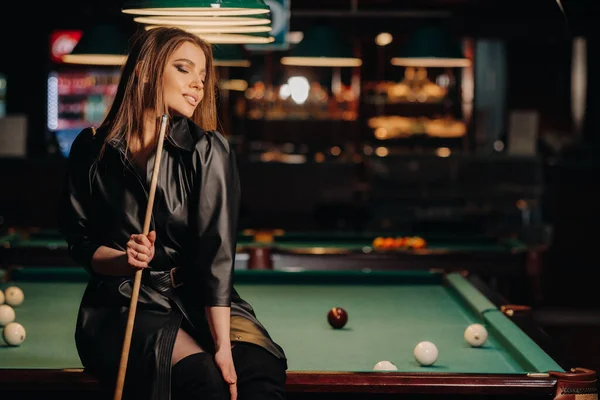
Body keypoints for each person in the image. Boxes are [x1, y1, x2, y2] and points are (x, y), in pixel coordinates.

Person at [58, 26, 287, 400]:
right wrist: (123, 259)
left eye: (202, 76)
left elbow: (218, 256)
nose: (198, 84)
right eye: (184, 69)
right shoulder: (92, 148)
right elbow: (80, 242)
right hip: (122, 303)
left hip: (199, 296)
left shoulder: (209, 149)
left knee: (259, 372)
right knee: (202, 380)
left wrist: (224, 347)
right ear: (147, 70)